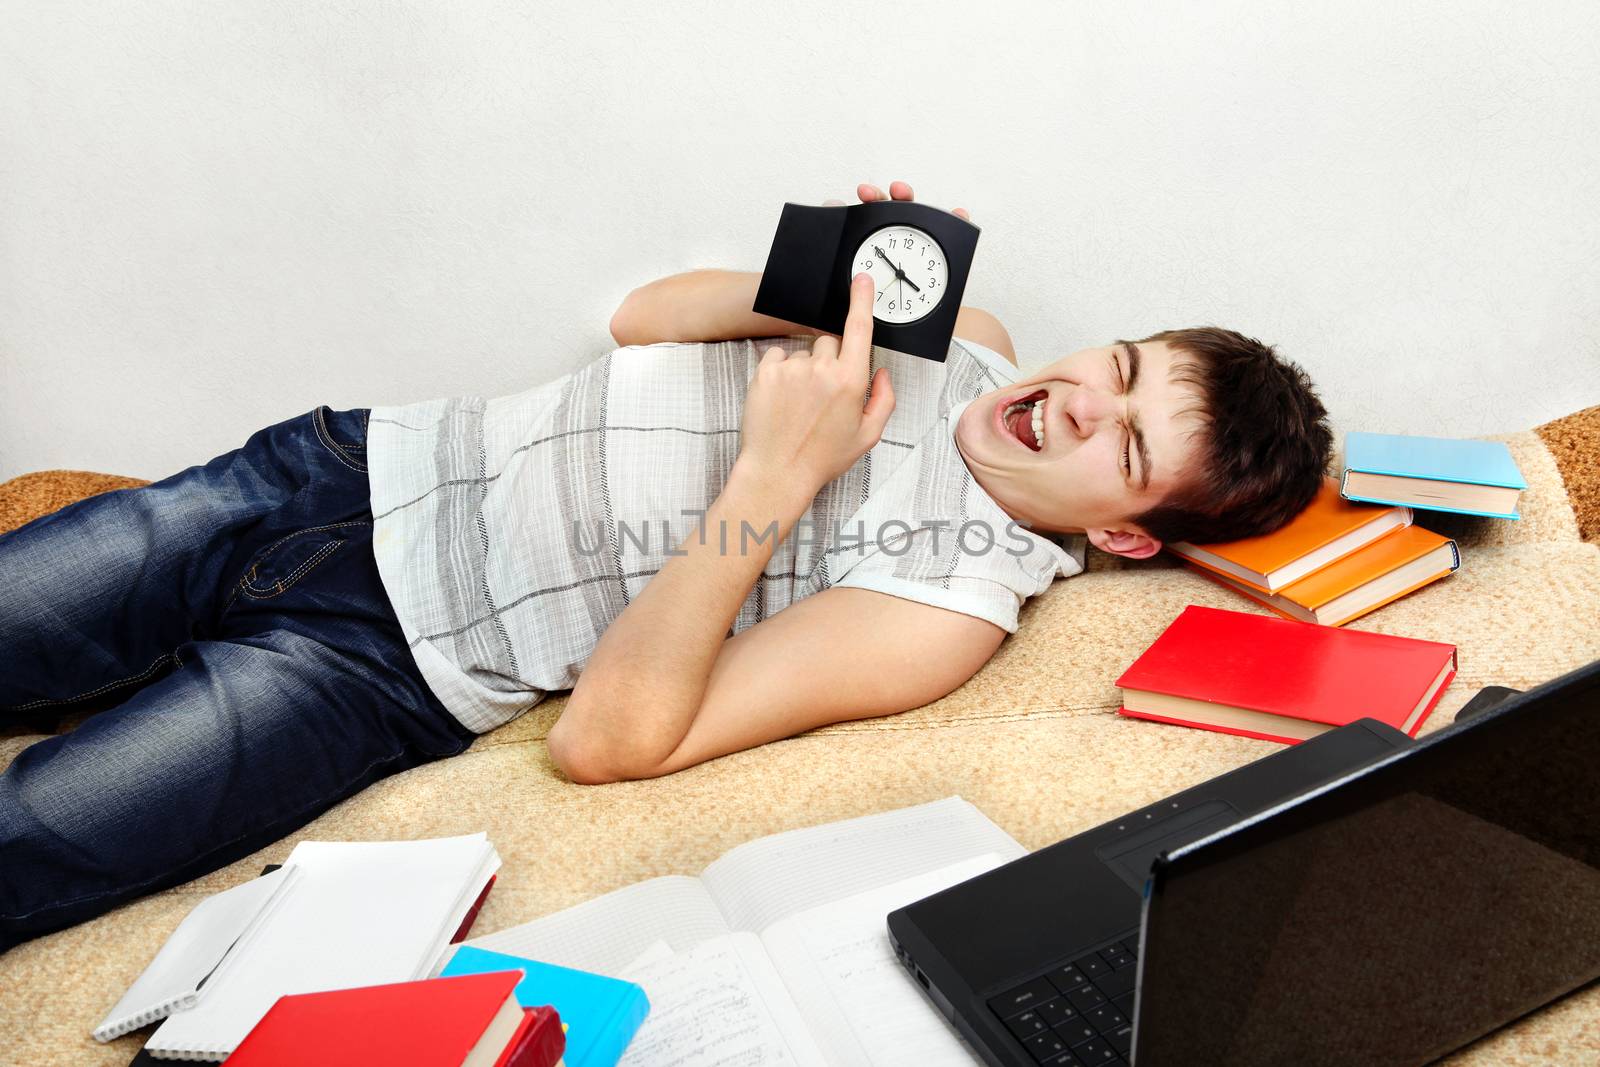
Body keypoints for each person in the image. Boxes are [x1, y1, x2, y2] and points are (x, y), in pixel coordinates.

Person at [0, 180, 1332, 949]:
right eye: (1118, 368)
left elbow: (609, 742)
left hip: (373, 667)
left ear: (1124, 535)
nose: (1088, 403)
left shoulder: (947, 606)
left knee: (33, 845)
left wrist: (776, 477)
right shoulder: (966, 329)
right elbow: (644, 320)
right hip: (338, 472)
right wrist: (827, 274)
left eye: (1129, 444)